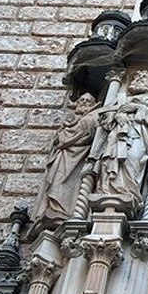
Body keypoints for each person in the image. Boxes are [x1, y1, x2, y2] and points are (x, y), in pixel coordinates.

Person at [94, 70, 148, 205]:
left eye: (144, 78)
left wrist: (138, 108)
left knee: (132, 158)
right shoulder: (122, 98)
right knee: (110, 160)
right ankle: (108, 190)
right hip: (116, 135)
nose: (140, 80)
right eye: (137, 78)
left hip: (138, 135)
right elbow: (104, 117)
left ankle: (129, 191)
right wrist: (116, 115)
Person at [32, 93, 99, 229]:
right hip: (63, 157)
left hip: (78, 160)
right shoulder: (73, 121)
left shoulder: (90, 119)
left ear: (92, 105)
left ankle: (63, 211)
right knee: (56, 182)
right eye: (81, 100)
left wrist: (64, 133)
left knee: (68, 184)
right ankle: (53, 210)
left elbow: (74, 136)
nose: (84, 103)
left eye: (88, 101)